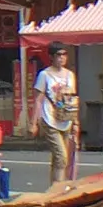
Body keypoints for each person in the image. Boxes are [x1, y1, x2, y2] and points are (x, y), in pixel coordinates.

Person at [31, 46, 80, 185]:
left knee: (59, 159)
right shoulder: (44, 75)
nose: (62, 57)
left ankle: (53, 189)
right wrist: (33, 123)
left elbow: (72, 101)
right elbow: (38, 99)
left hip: (66, 120)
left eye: (65, 54)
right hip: (50, 118)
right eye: (59, 54)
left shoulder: (70, 75)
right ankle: (59, 191)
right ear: (51, 57)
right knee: (61, 157)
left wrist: (76, 123)